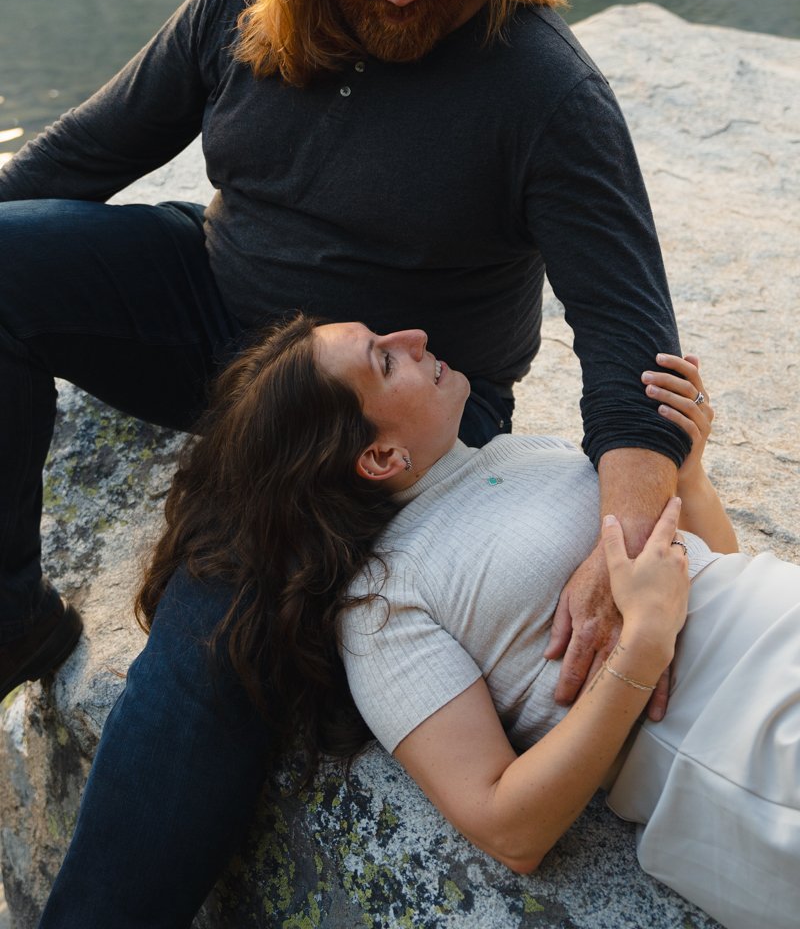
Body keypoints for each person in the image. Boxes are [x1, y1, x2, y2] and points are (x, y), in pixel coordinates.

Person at [3, 0, 690, 925]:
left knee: (219, 626)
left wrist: (616, 557)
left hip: (395, 406)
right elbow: (57, 174)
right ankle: (9, 612)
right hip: (216, 311)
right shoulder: (240, 8)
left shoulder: (540, 87)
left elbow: (631, 345)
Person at [87, 312, 797, 929]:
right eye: (385, 357)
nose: (416, 336)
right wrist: (637, 654)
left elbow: (701, 575)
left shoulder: (524, 452)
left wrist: (693, 480)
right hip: (745, 746)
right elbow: (507, 827)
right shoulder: (381, 604)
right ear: (380, 456)